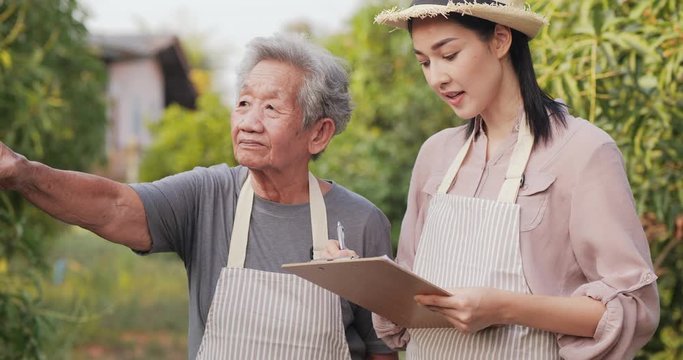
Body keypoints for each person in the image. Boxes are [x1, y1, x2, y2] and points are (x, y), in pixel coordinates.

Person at [0, 33, 397, 360]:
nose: (248, 123)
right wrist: (22, 172)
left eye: (271, 108)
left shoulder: (360, 222)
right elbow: (113, 206)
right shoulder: (207, 196)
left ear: (319, 133)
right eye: (243, 103)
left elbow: (381, 349)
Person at [369, 0, 660, 358]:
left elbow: (633, 307)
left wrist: (504, 308)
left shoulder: (582, 151)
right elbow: (410, 294)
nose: (436, 78)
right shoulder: (435, 154)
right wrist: (360, 274)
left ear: (501, 40)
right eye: (424, 62)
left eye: (450, 54)